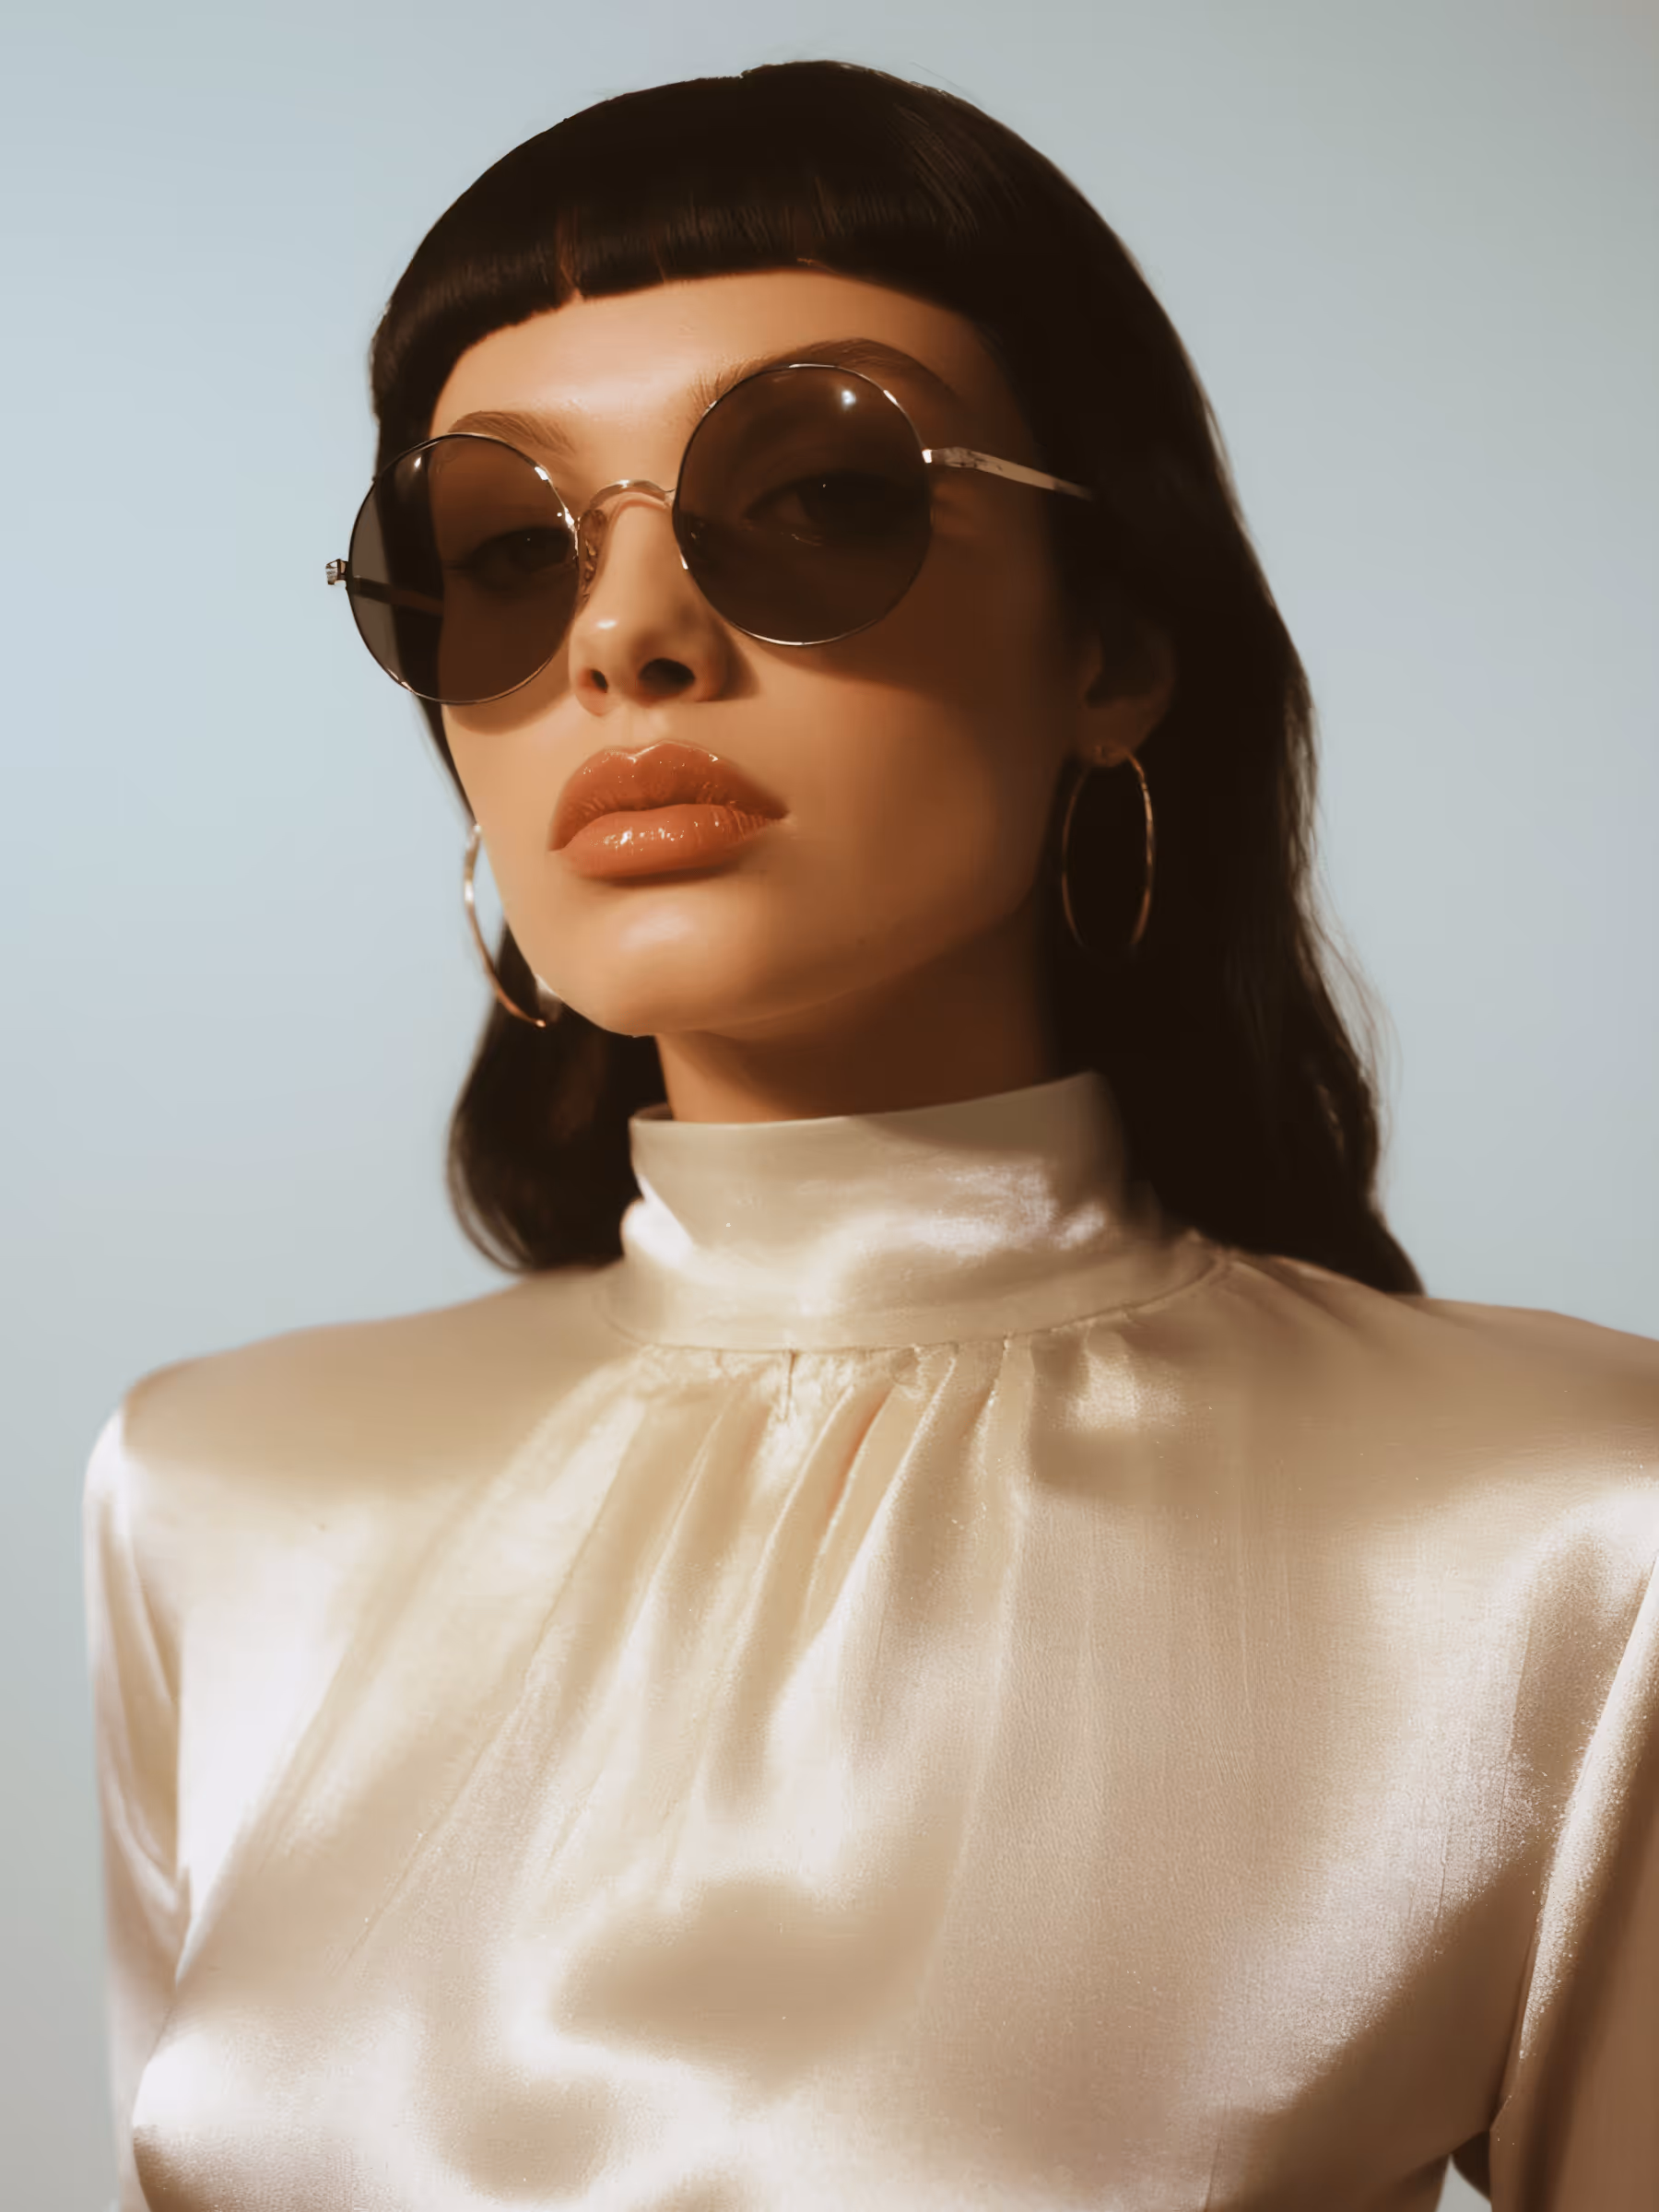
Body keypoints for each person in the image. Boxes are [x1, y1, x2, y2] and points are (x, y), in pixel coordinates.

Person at [83, 59, 1658, 2212]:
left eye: (818, 498)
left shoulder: (1569, 1530)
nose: (627, 638)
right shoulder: (212, 1498)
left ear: (1113, 645)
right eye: (504, 553)